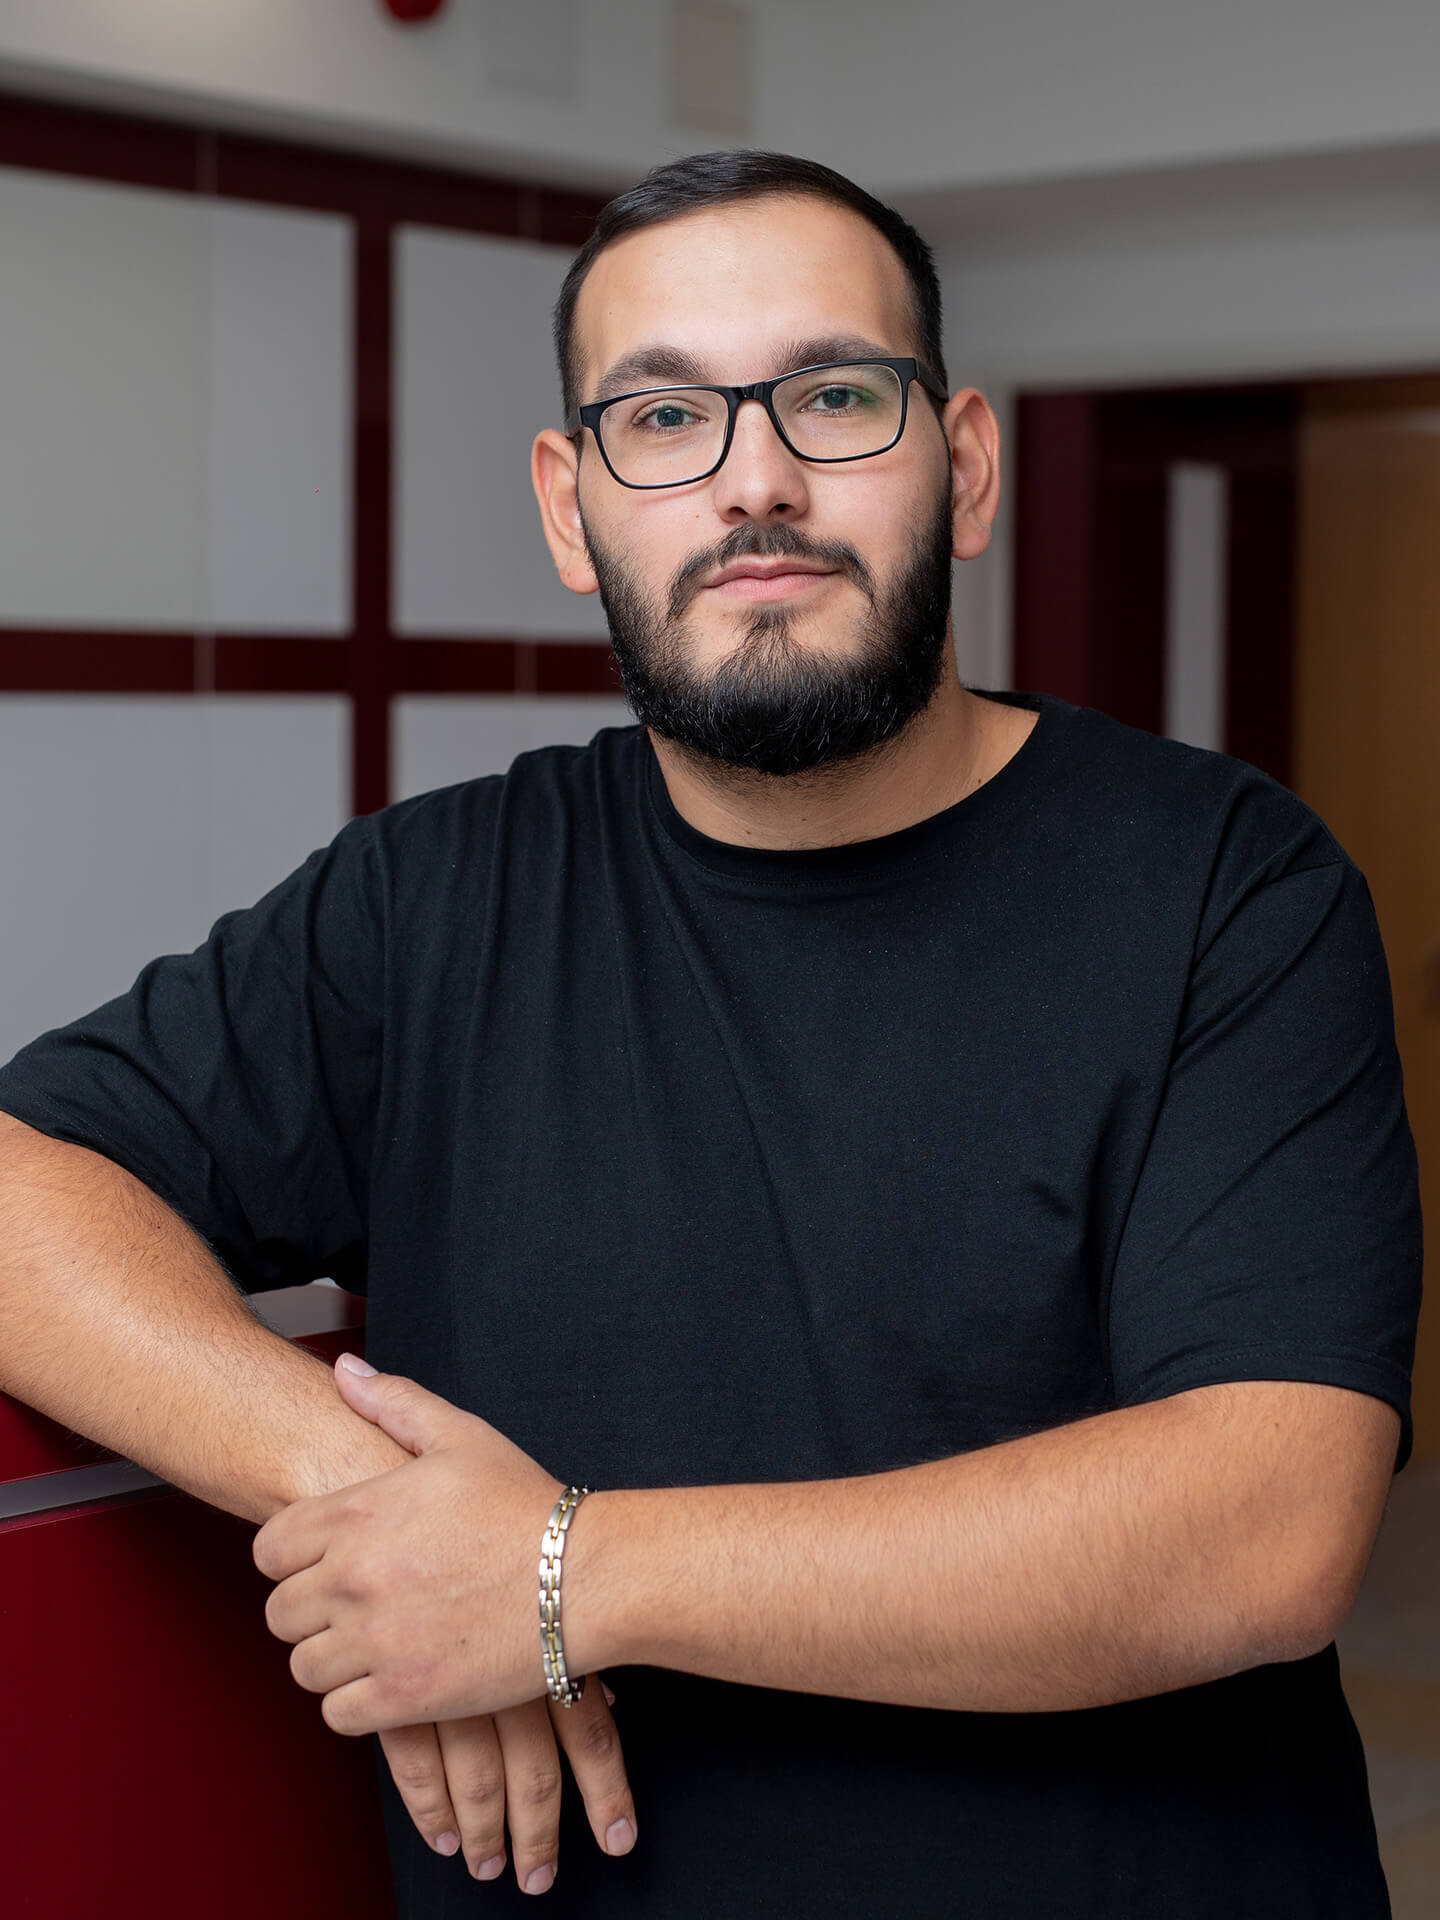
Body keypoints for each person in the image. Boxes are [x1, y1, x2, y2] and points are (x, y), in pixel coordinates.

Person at [0, 149, 1422, 1918]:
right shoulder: (429, 903)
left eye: (836, 396)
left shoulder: (1228, 886)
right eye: (663, 417)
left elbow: (1266, 1529)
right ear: (570, 505)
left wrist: (556, 1574)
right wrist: (373, 1506)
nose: (757, 480)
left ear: (965, 466)